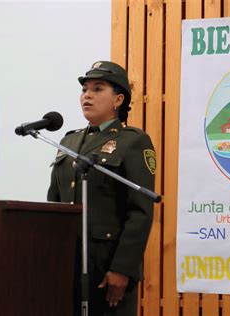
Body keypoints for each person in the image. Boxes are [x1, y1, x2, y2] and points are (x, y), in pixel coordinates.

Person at [47, 61, 156, 315]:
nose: (87, 95)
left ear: (118, 99)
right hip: (67, 266)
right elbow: (53, 203)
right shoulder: (68, 140)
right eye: (85, 89)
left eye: (97, 89)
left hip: (107, 268)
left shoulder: (133, 142)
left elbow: (140, 212)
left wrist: (122, 269)